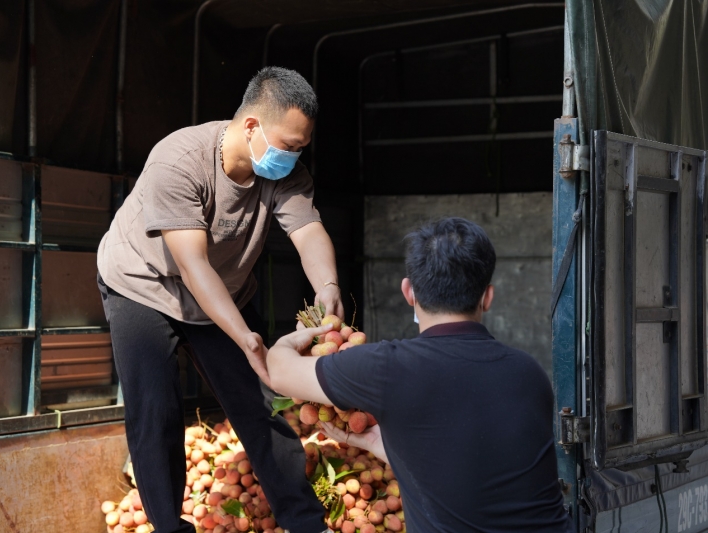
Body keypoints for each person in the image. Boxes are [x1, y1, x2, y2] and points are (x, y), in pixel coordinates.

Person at [98, 66, 343, 533]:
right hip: (143, 284)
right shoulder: (179, 160)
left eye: (301, 148)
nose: (293, 157)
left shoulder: (286, 173)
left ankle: (307, 523)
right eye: (288, 145)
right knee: (156, 413)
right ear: (252, 126)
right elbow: (193, 267)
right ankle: (170, 527)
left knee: (259, 405)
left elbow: (309, 232)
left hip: (222, 290)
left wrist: (328, 287)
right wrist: (247, 339)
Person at [267, 217, 574, 533]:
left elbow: (277, 370)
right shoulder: (529, 372)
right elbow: (472, 464)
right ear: (488, 297)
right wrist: (377, 444)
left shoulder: (387, 367)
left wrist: (311, 333)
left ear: (408, 292)